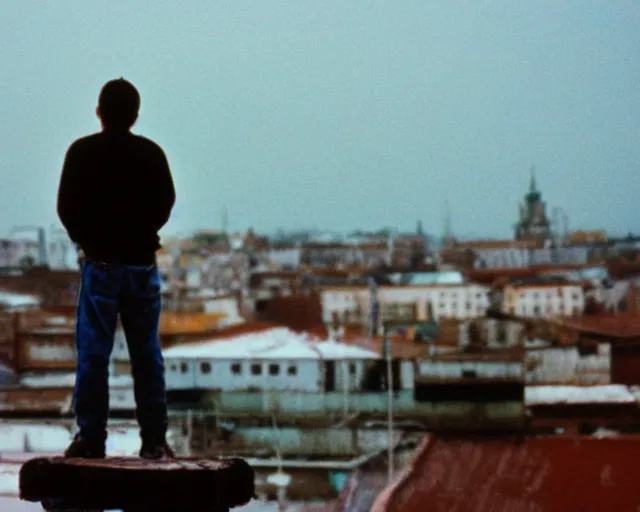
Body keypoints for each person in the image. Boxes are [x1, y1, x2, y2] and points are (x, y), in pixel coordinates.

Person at [57, 78, 176, 459]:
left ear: (99, 112)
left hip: (101, 266)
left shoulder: (82, 152)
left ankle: (91, 437)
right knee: (146, 354)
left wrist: (90, 240)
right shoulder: (151, 154)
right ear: (135, 115)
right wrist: (141, 234)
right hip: (141, 266)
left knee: (94, 354)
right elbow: (165, 202)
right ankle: (154, 440)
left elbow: (66, 206)